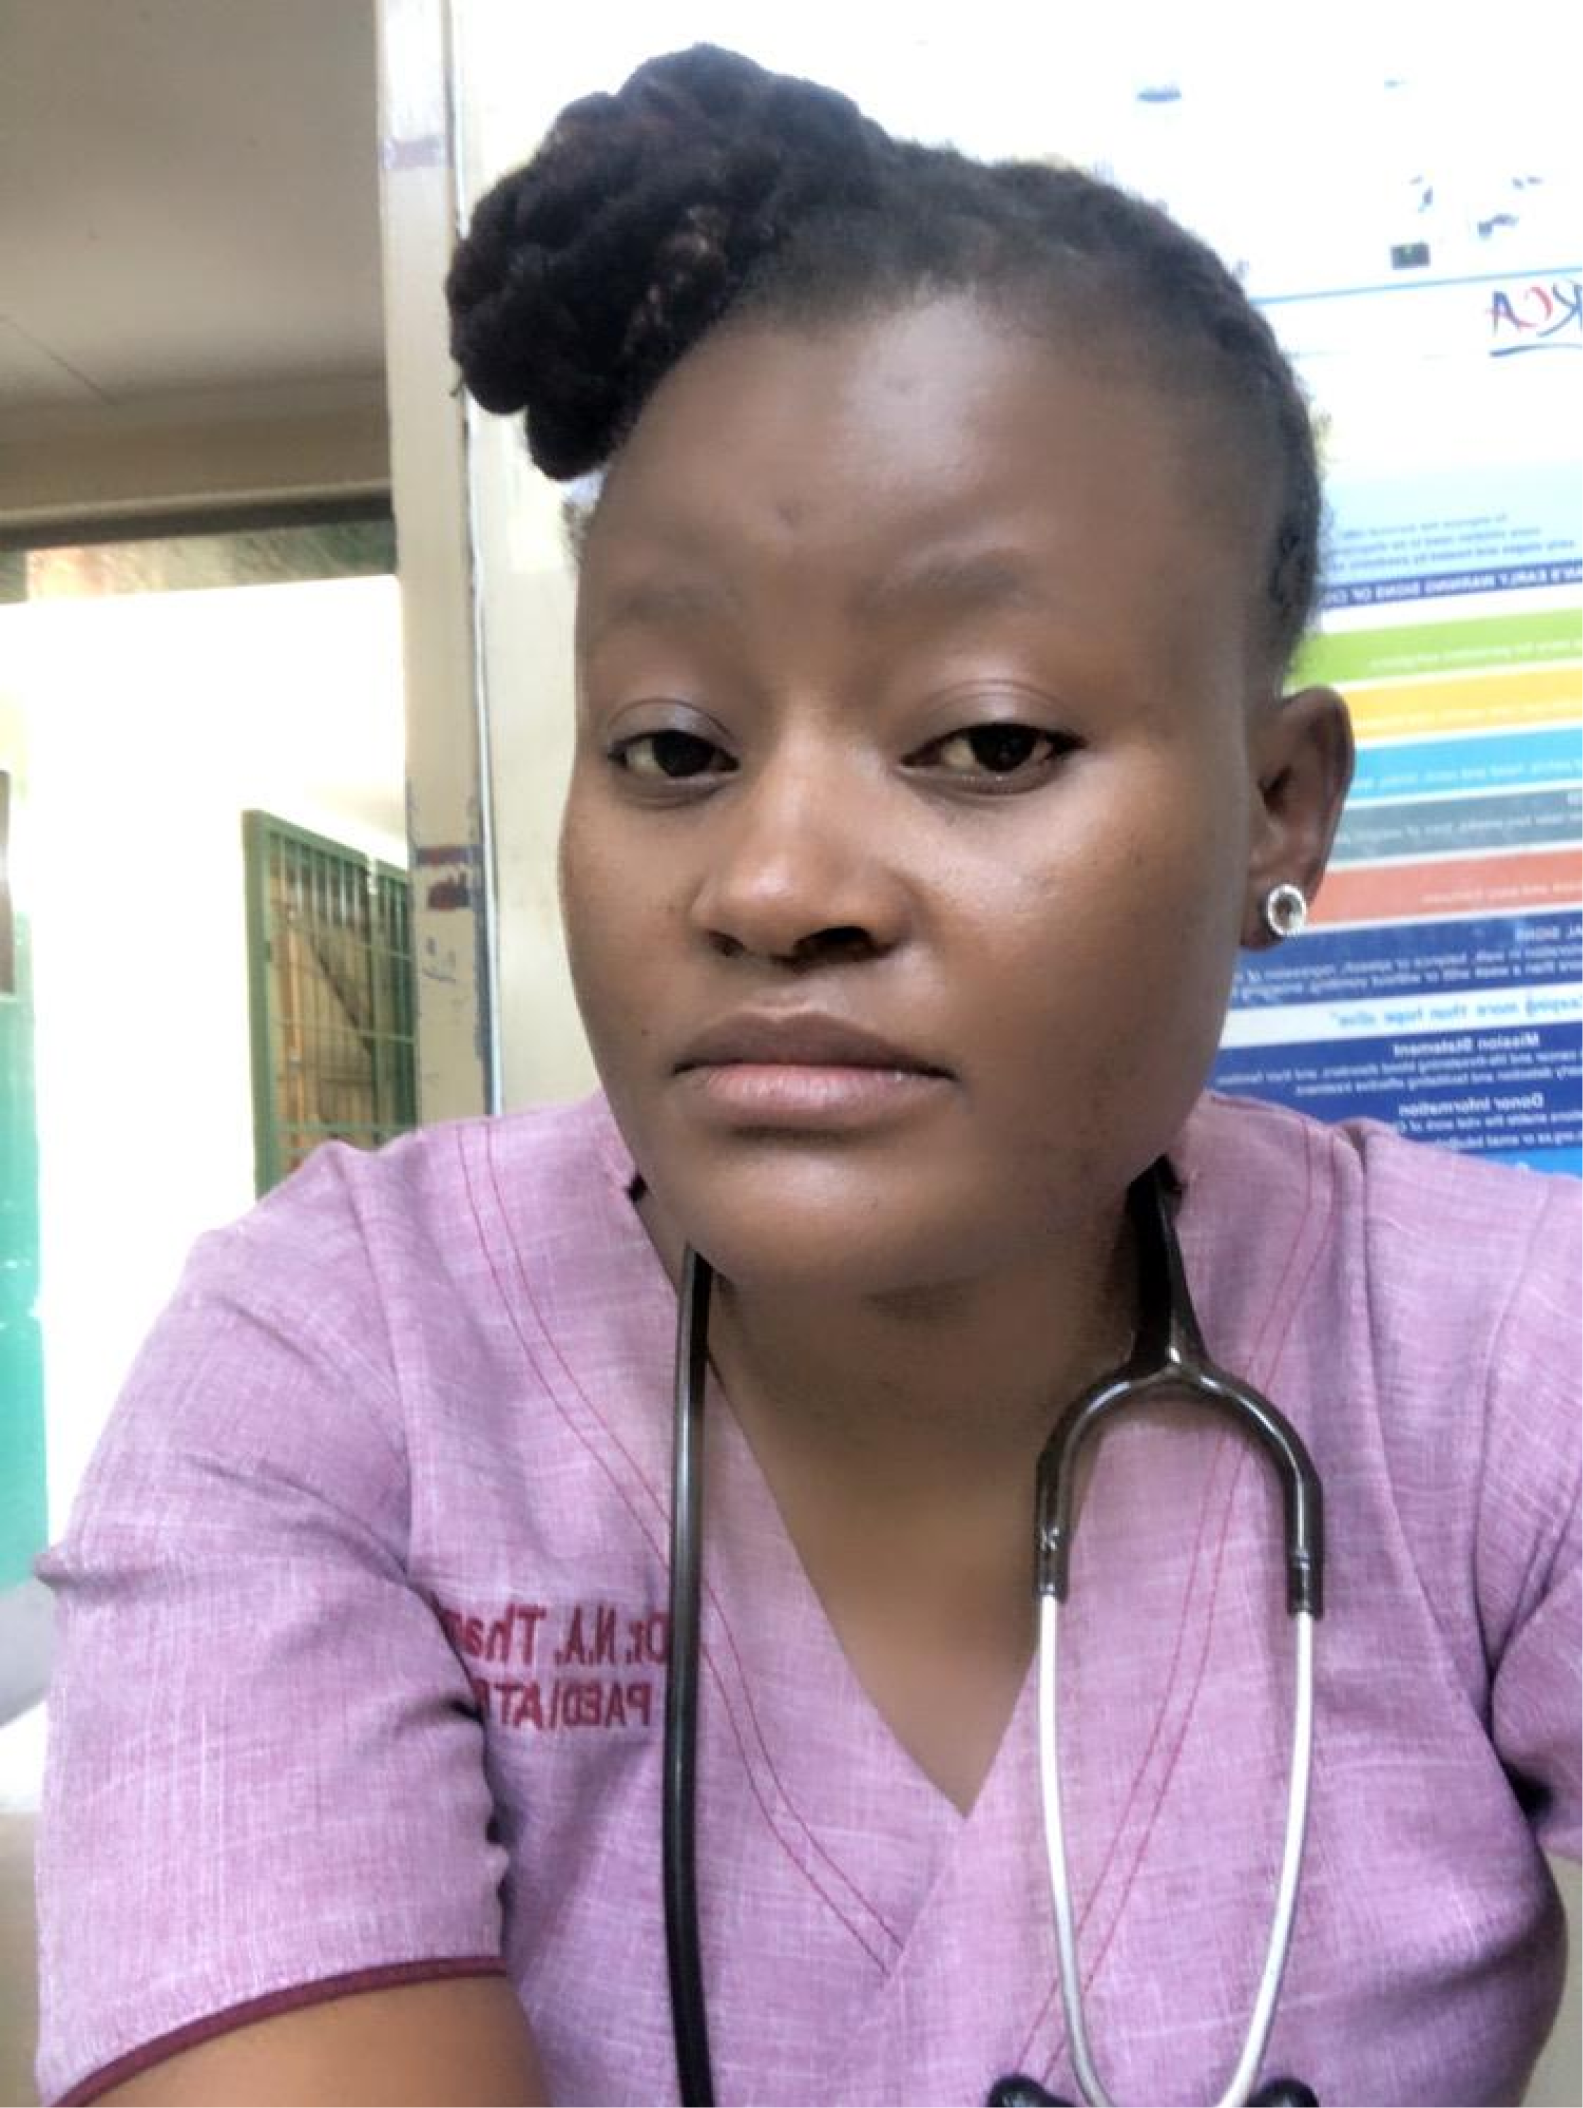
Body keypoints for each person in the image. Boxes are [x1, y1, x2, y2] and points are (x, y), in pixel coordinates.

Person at [30, 43, 1583, 2108]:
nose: (771, 887)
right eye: (672, 748)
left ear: (1276, 810)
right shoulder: (341, 1364)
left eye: (988, 739)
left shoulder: (1503, 1371)